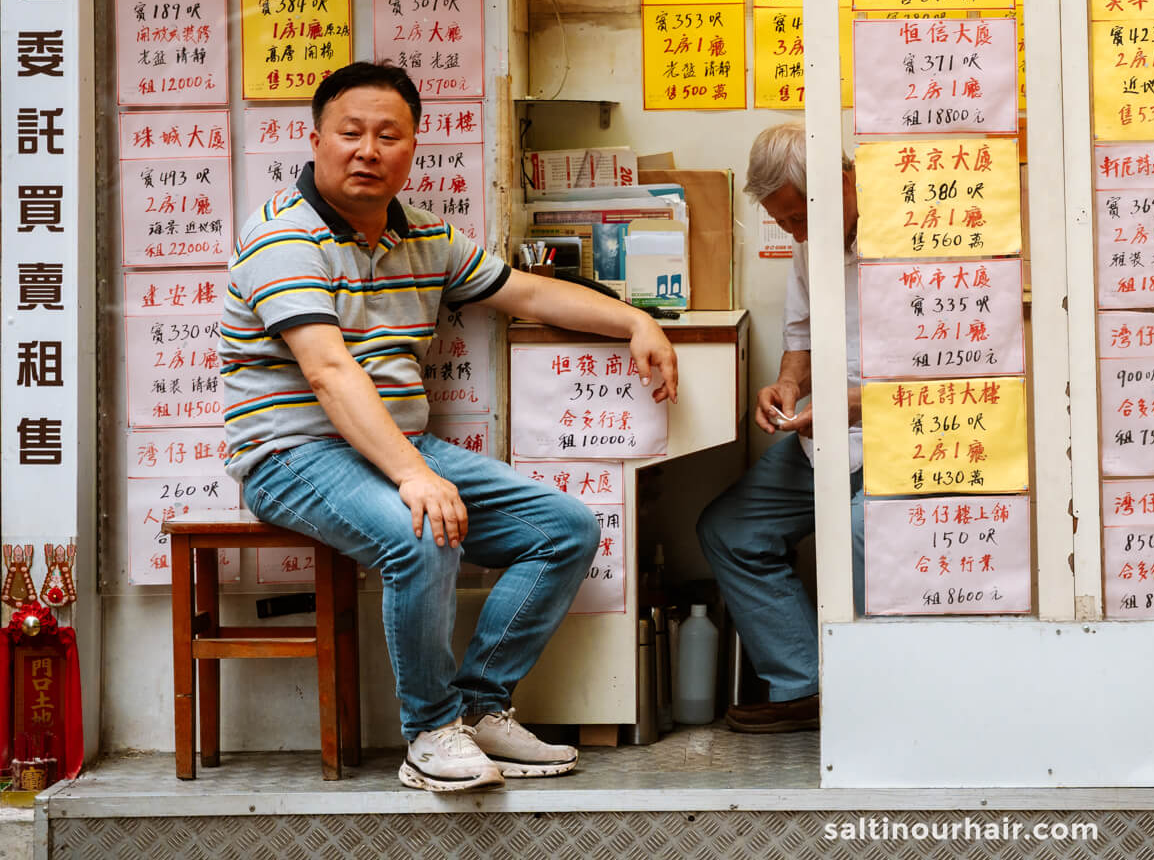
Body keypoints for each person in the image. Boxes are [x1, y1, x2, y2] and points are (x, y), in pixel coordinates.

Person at [220, 62, 678, 793]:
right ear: (316, 140)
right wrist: (414, 475)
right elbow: (328, 372)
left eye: (387, 135)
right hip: (293, 454)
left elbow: (525, 291)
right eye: (350, 133)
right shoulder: (284, 238)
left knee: (563, 528)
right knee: (422, 529)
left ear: (412, 147)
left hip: (398, 444)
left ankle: (480, 706)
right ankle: (428, 732)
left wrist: (634, 319)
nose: (367, 150)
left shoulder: (426, 238)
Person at [696, 121, 865, 734]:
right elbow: (802, 339)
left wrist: (853, 404)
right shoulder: (807, 241)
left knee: (857, 533)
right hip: (826, 439)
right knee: (730, 529)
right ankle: (807, 687)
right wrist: (788, 387)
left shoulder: (908, 236)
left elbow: (950, 369)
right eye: (785, 223)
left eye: (800, 217)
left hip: (906, 440)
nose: (796, 233)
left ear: (844, 181)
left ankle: (879, 694)